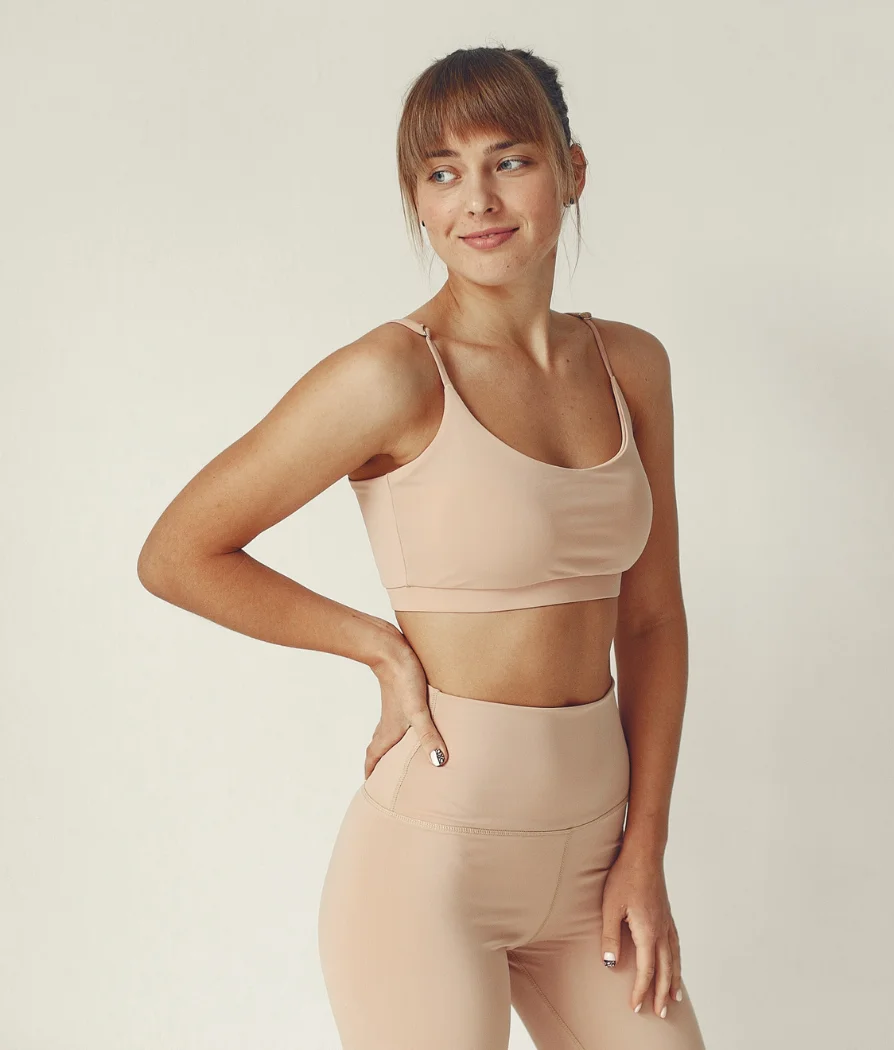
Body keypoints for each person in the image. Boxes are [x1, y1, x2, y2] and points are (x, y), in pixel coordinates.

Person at [138, 44, 707, 1050]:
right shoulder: (393, 374)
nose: (477, 199)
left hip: (598, 860)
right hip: (431, 863)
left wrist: (645, 849)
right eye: (442, 173)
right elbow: (179, 552)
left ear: (572, 171)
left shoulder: (631, 365)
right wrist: (378, 647)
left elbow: (653, 617)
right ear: (417, 200)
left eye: (509, 160)